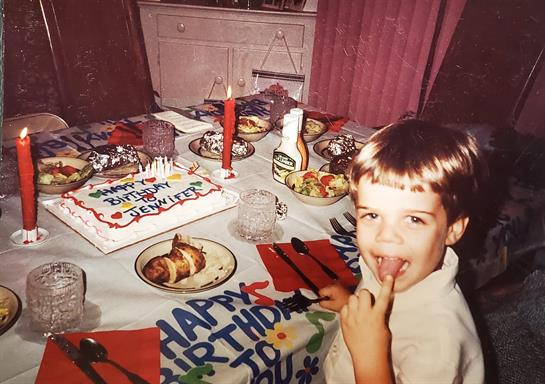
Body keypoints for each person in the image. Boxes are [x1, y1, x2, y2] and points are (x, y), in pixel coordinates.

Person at [320, 119, 486, 383]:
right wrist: (350, 305)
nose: (386, 237)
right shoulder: (399, 264)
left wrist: (368, 355)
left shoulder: (439, 344)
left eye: (414, 219)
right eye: (372, 215)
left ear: (452, 230)